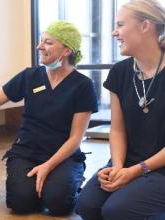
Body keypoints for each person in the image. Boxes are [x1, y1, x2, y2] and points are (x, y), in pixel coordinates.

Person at [0, 20, 98, 215]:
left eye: (48, 42)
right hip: (26, 152)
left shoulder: (83, 85)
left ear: (67, 50)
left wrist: (48, 166)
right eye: (40, 41)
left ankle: (69, 181)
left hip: (63, 156)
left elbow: (75, 139)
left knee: (58, 203)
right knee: (20, 203)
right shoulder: (30, 76)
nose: (39, 47)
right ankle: (38, 187)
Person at [75, 0, 165, 219]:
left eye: (121, 24)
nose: (114, 33)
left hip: (160, 167)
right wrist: (117, 166)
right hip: (129, 161)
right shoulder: (119, 72)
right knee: (86, 206)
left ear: (145, 26)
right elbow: (117, 130)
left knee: (117, 211)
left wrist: (136, 171)